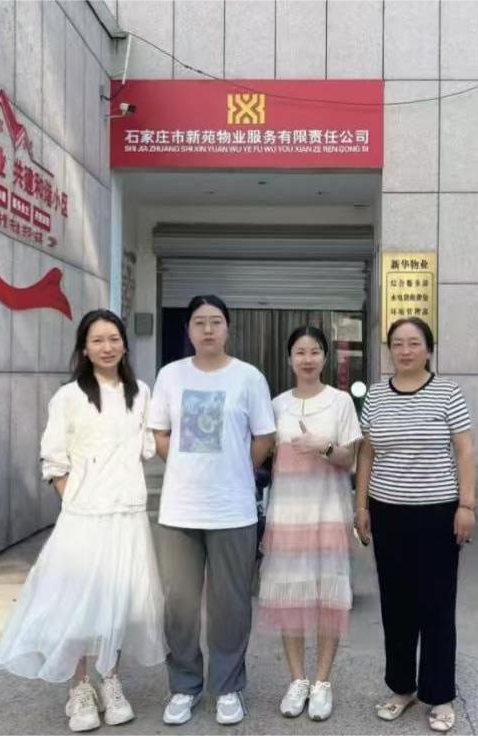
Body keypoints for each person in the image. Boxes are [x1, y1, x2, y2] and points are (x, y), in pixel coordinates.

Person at [0, 309, 165, 733]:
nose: (107, 347)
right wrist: (73, 496)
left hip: (126, 513)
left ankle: (111, 681)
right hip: (84, 517)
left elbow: (148, 448)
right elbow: (54, 457)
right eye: (97, 340)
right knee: (77, 602)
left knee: (118, 602)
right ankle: (80, 688)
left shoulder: (141, 392)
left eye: (114, 339)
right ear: (84, 349)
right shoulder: (69, 396)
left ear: (124, 344)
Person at [148, 295, 276, 727]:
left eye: (216, 321)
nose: (207, 329)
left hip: (232, 511)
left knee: (231, 605)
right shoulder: (170, 375)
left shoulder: (248, 377)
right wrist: (187, 469)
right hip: (180, 510)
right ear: (188, 329)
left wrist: (235, 471)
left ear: (227, 328)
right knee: (179, 603)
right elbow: (160, 434)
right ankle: (184, 686)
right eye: (199, 322)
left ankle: (227, 686)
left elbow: (264, 438)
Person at [354, 316, 476, 734]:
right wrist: (361, 506)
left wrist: (467, 505)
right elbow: (367, 453)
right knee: (396, 604)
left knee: (436, 605)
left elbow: (465, 450)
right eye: (398, 344)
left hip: (438, 513)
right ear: (389, 350)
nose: (405, 351)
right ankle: (402, 687)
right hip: (387, 512)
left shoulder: (447, 392)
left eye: (413, 343)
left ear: (429, 350)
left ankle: (439, 694)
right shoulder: (376, 395)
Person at [259, 326, 363, 722]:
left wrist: (325, 447)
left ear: (325, 358)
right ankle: (297, 680)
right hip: (287, 516)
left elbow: (350, 459)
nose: (307, 358)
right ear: (290, 359)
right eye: (300, 352)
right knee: (291, 596)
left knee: (327, 597)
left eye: (315, 351)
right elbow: (261, 453)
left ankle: (322, 682)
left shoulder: (340, 402)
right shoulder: (276, 405)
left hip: (327, 513)